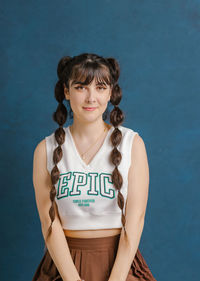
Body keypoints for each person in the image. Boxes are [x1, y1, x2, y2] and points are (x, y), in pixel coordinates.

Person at [32, 53, 156, 281]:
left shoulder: (132, 144)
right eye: (81, 87)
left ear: (110, 92)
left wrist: (117, 278)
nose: (91, 98)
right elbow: (49, 223)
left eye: (100, 87)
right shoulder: (45, 149)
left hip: (120, 265)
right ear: (67, 92)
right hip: (64, 267)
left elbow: (135, 220)